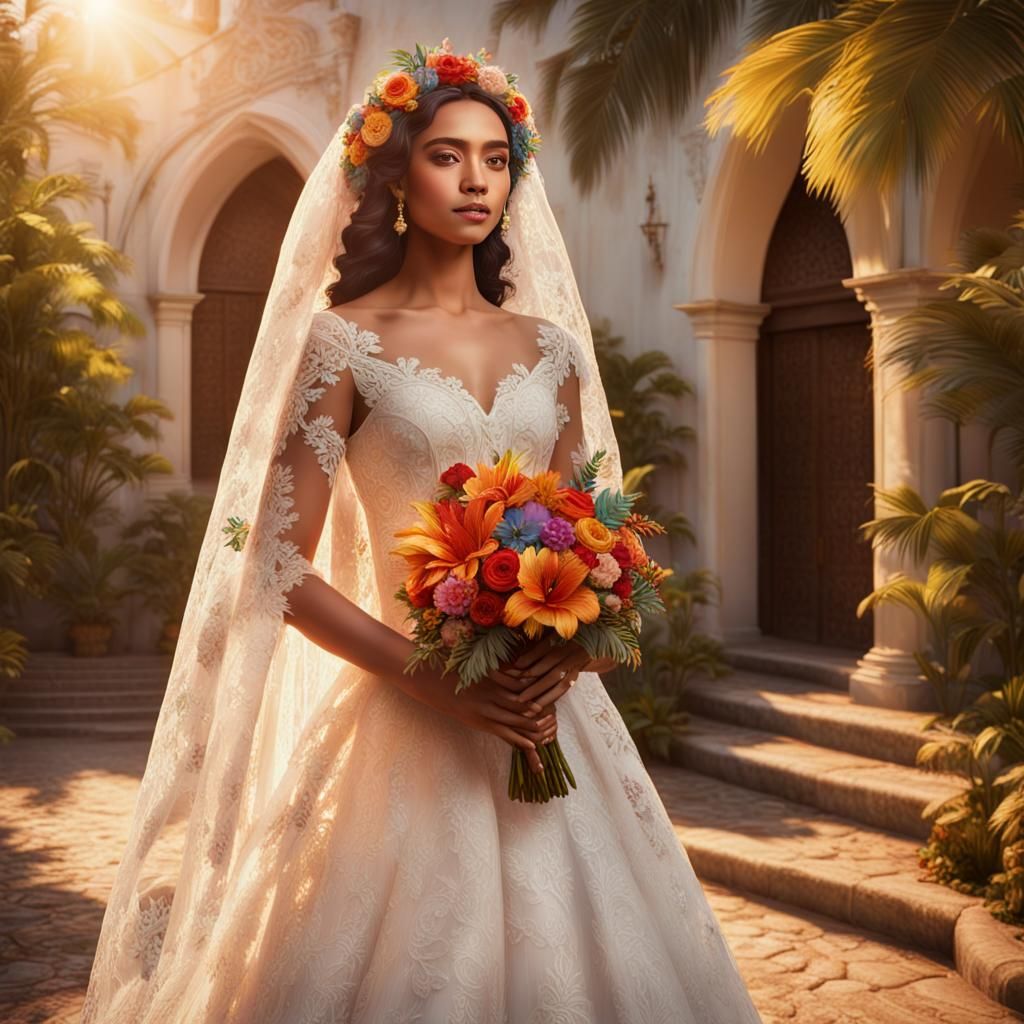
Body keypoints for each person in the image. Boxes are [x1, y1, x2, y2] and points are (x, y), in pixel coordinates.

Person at [81, 38, 764, 1024]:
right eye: (447, 154)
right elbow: (273, 559)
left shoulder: (555, 350)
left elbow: (599, 535)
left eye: (494, 157)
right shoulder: (343, 340)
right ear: (398, 171)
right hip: (404, 716)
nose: (476, 177)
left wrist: (560, 665)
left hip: (542, 710)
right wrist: (435, 676)